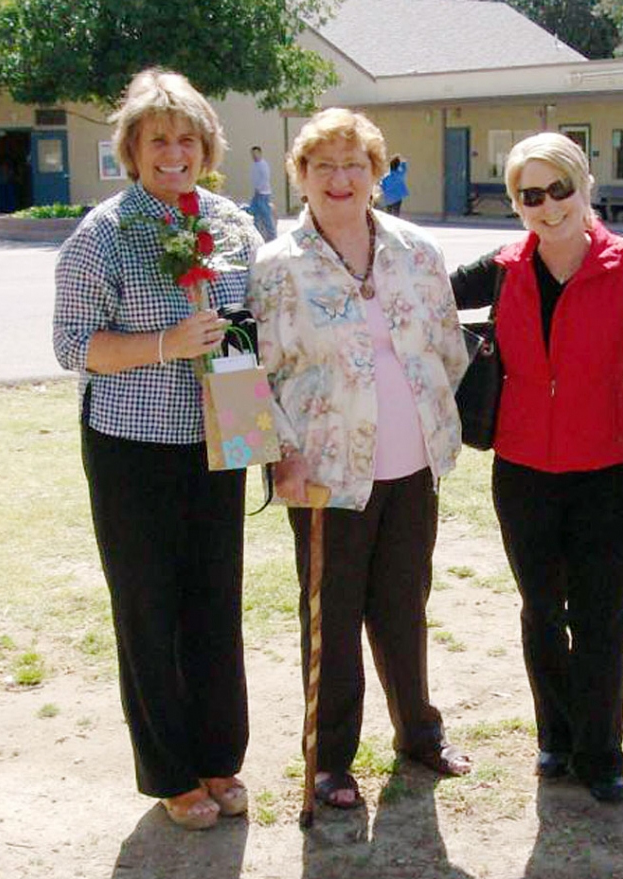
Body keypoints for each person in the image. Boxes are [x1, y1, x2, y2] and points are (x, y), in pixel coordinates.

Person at [53, 68, 262, 831]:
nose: (173, 153)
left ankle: (218, 753)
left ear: (205, 147)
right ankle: (170, 771)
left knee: (216, 598)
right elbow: (72, 344)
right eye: (157, 141)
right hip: (131, 445)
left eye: (186, 139)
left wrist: (252, 431)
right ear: (132, 152)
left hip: (220, 436)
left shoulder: (233, 222)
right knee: (149, 606)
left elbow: (252, 320)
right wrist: (169, 342)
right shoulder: (103, 233)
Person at [247, 108, 472, 811]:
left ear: (378, 174)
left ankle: (418, 733)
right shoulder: (277, 264)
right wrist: (280, 454)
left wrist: (435, 418)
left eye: (355, 164)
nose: (340, 179)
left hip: (412, 465)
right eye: (323, 166)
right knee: (332, 617)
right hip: (325, 472)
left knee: (405, 606)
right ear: (300, 177)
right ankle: (331, 760)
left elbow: (447, 344)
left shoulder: (415, 249)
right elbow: (258, 371)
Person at [451, 132, 623, 803]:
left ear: (586, 185)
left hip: (608, 469)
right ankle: (556, 736)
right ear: (516, 204)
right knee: (541, 609)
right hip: (522, 471)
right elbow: (412, 291)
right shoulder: (503, 267)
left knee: (601, 615)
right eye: (530, 195)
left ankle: (601, 752)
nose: (548, 207)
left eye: (559, 189)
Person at [250, 145, 277, 241]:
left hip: (263, 193)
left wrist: (259, 188)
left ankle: (273, 236)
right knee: (254, 214)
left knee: (266, 215)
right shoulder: (254, 165)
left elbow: (265, 178)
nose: (254, 155)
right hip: (257, 193)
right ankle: (258, 236)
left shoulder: (263, 164)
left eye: (256, 153)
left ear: (260, 154)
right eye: (253, 154)